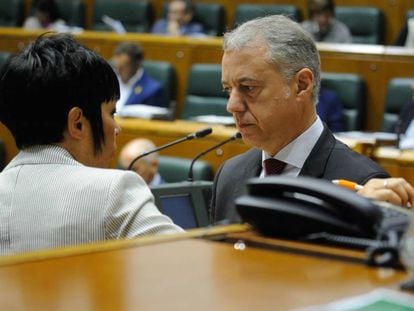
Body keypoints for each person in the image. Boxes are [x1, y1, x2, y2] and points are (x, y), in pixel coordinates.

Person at [0, 34, 182, 255]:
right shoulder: (113, 191)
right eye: (111, 113)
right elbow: (190, 264)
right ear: (77, 123)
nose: (117, 128)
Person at [211, 15, 389, 224]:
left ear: (302, 85)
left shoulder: (362, 184)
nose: (232, 106)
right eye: (228, 90)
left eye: (248, 88)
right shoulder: (229, 175)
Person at [112, 42, 169, 112]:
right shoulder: (107, 83)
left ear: (137, 64)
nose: (118, 70)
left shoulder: (153, 90)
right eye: (116, 66)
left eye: (123, 67)